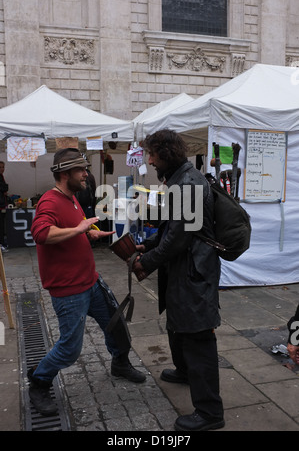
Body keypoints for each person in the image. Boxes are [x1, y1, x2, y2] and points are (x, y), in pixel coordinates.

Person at [29, 148, 146, 417]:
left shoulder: (72, 198)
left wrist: (88, 234)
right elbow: (41, 232)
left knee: (116, 326)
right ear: (65, 173)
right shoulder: (49, 201)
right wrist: (80, 229)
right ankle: (39, 381)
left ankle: (120, 363)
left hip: (91, 281)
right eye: (81, 170)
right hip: (69, 290)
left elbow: (75, 225)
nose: (86, 174)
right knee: (70, 349)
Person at [132, 129, 224, 431]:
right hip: (185, 271)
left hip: (194, 273)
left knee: (198, 337)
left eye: (152, 154)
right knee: (180, 327)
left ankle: (210, 413)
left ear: (166, 153)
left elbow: (179, 239)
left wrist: (147, 261)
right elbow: (173, 227)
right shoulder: (180, 179)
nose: (150, 160)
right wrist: (150, 242)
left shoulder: (187, 183)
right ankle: (185, 372)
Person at [0, 161, 8, 252]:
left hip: (2, 204)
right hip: (0, 205)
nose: (2, 169)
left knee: (2, 226)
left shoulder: (2, 176)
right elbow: (4, 188)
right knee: (1, 227)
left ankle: (2, 243)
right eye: (0, 167)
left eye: (3, 167)